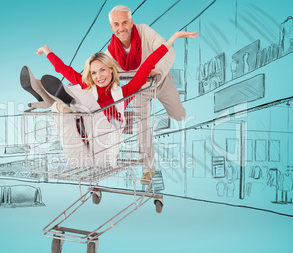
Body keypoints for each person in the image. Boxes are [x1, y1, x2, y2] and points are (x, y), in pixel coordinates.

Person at [21, 30, 198, 184]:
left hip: (105, 150)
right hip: (80, 157)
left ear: (112, 70)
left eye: (103, 70)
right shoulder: (87, 87)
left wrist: (173, 38)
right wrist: (47, 51)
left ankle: (59, 101)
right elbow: (63, 70)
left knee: (86, 102)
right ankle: (59, 105)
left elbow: (148, 63)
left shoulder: (125, 92)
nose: (99, 76)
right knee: (65, 115)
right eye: (93, 73)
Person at [105, 5, 188, 183]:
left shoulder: (144, 31)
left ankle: (175, 113)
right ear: (112, 27)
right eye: (117, 24)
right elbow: (100, 70)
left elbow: (169, 51)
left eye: (125, 22)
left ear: (131, 22)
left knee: (179, 115)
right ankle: (148, 168)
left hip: (161, 81)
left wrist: (157, 72)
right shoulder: (111, 52)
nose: (122, 28)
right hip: (139, 90)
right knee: (142, 128)